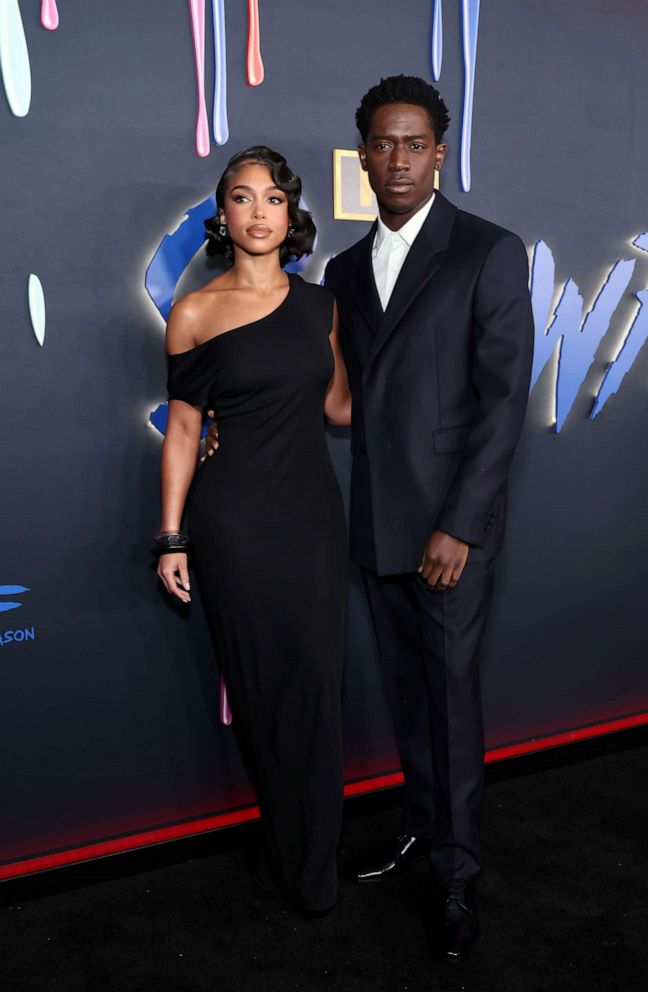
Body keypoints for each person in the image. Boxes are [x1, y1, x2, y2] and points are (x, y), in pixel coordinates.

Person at [326, 75, 534, 959]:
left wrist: (459, 526)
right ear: (362, 155)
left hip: (448, 533)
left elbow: (500, 400)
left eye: (414, 143)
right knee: (407, 694)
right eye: (382, 143)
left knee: (449, 702)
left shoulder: (487, 249)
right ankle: (421, 827)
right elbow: (341, 399)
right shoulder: (340, 268)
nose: (397, 158)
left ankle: (457, 876)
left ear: (438, 153)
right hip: (376, 521)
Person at [156, 146, 351, 916]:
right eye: (242, 197)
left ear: (291, 213)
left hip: (311, 519)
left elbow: (339, 408)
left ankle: (312, 865)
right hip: (232, 522)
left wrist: (423, 381)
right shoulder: (194, 312)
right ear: (224, 216)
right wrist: (170, 536)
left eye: (273, 197)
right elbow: (181, 431)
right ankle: (286, 857)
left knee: (315, 691)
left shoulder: (321, 307)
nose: (259, 211)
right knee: (264, 696)